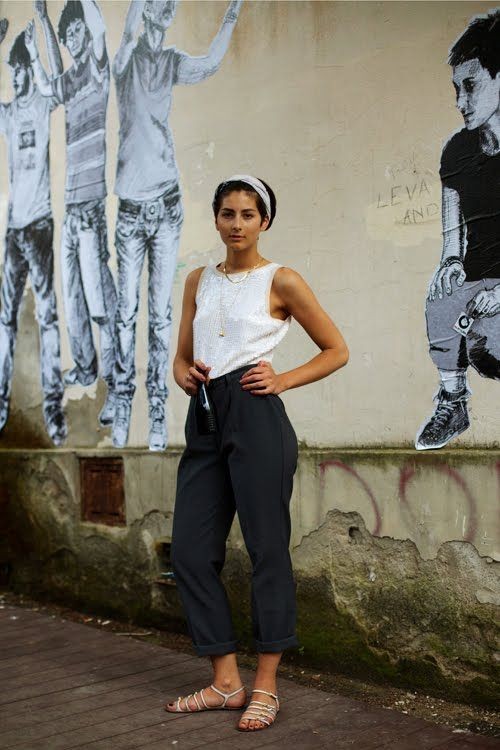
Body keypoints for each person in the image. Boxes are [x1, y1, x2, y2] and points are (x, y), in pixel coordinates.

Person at [166, 176, 349, 731]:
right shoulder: (198, 280)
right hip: (205, 417)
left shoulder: (281, 279)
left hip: (255, 414)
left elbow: (336, 349)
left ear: (264, 221)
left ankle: (266, 684)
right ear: (216, 218)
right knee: (190, 552)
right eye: (228, 213)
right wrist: (185, 375)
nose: (237, 223)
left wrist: (283, 379)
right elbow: (181, 358)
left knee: (267, 550)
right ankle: (226, 681)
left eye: (248, 214)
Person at [111, 0, 242, 451]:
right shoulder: (124, 61)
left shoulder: (170, 62)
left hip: (166, 204)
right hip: (130, 209)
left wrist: (232, 12)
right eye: (156, 6)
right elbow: (128, 34)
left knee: (162, 316)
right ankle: (123, 403)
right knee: (126, 313)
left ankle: (156, 413)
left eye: (168, 8)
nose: (164, 12)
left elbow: (209, 63)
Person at [25, 0, 117, 428]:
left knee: (100, 305)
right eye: (68, 36)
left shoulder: (97, 69)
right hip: (71, 208)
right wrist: (44, 23)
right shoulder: (70, 79)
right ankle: (84, 366)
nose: (72, 39)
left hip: (92, 206)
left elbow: (98, 30)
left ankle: (116, 386)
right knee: (74, 299)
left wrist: (82, 7)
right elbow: (47, 84)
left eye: (75, 31)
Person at [416, 10, 500, 450]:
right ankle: (453, 402)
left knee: (488, 343)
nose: (460, 101)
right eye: (456, 89)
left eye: (471, 86)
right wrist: (450, 263)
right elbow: (453, 236)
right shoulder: (457, 152)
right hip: (479, 281)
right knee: (439, 299)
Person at [0, 9, 67, 445]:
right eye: (11, 71)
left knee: (48, 318)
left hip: (39, 225)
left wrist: (42, 24)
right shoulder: (8, 114)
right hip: (13, 230)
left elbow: (56, 77)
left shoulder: (41, 103)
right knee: (4, 320)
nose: (15, 77)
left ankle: (54, 411)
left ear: (28, 69)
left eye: (19, 69)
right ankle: (0, 403)